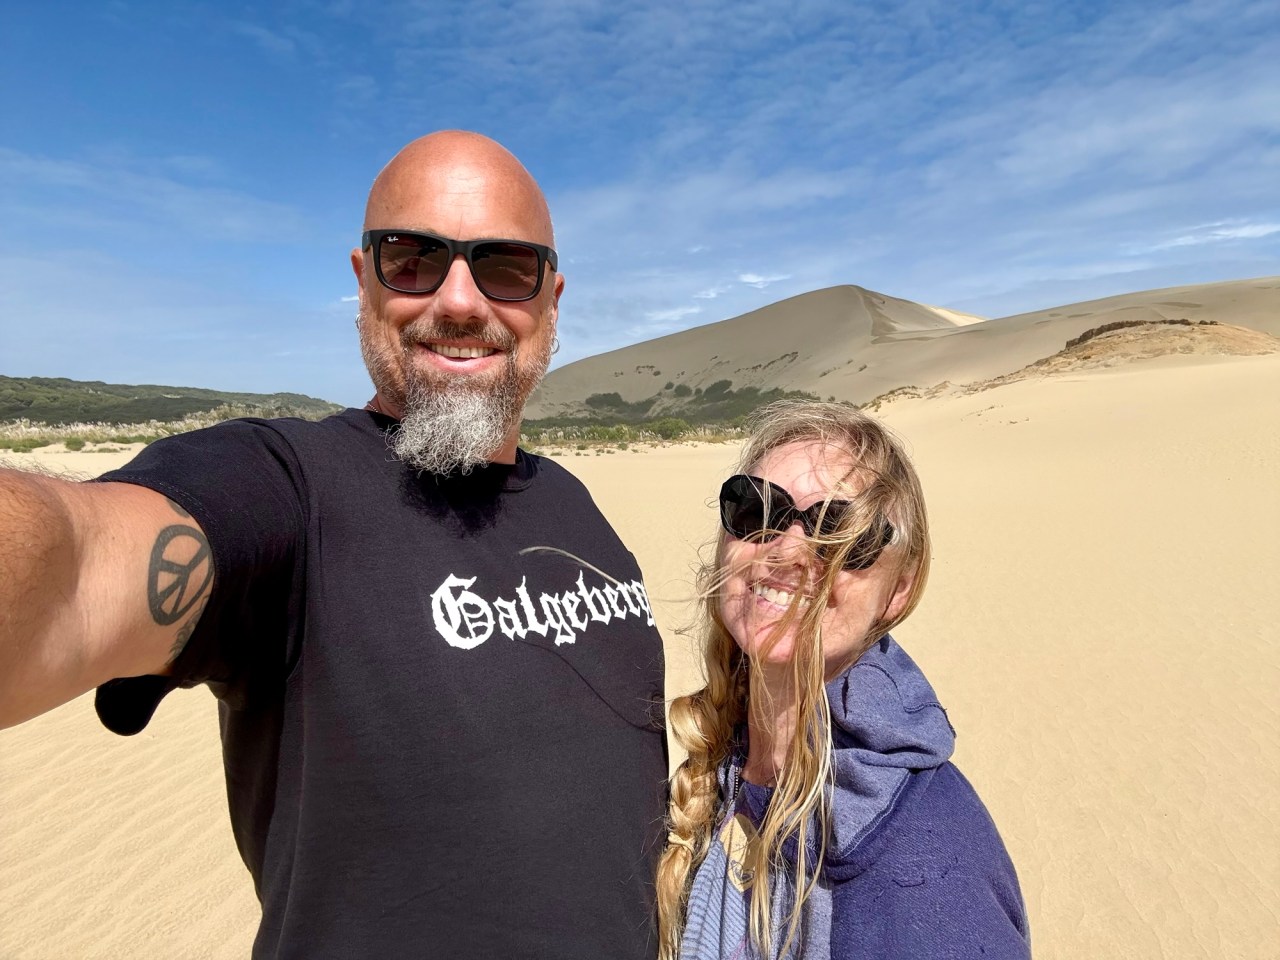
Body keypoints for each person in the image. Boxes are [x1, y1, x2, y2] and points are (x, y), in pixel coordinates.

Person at [0, 131, 668, 959]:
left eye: (504, 267)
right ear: (363, 280)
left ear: (550, 299)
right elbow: (77, 561)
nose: (460, 302)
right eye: (414, 257)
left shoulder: (573, 504)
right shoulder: (288, 486)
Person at [656, 400, 1030, 959]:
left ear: (898, 591)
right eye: (758, 511)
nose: (788, 551)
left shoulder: (926, 868)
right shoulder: (725, 767)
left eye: (845, 539)